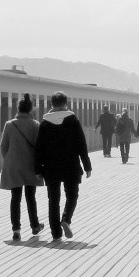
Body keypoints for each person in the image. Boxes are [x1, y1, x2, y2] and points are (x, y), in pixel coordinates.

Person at [34, 91, 92, 242]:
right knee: (72, 195)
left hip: (50, 167)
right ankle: (66, 219)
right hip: (71, 165)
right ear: (66, 104)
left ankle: (56, 234)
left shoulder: (45, 123)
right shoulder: (72, 120)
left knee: (53, 199)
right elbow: (81, 144)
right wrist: (87, 166)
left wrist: (38, 169)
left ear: (52, 104)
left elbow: (38, 147)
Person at [0, 95, 44, 241]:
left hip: (14, 166)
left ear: (18, 109)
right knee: (30, 197)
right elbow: (39, 147)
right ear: (30, 109)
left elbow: (3, 147)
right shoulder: (35, 124)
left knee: (15, 198)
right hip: (30, 165)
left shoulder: (9, 124)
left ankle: (16, 229)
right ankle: (35, 225)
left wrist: (10, 160)